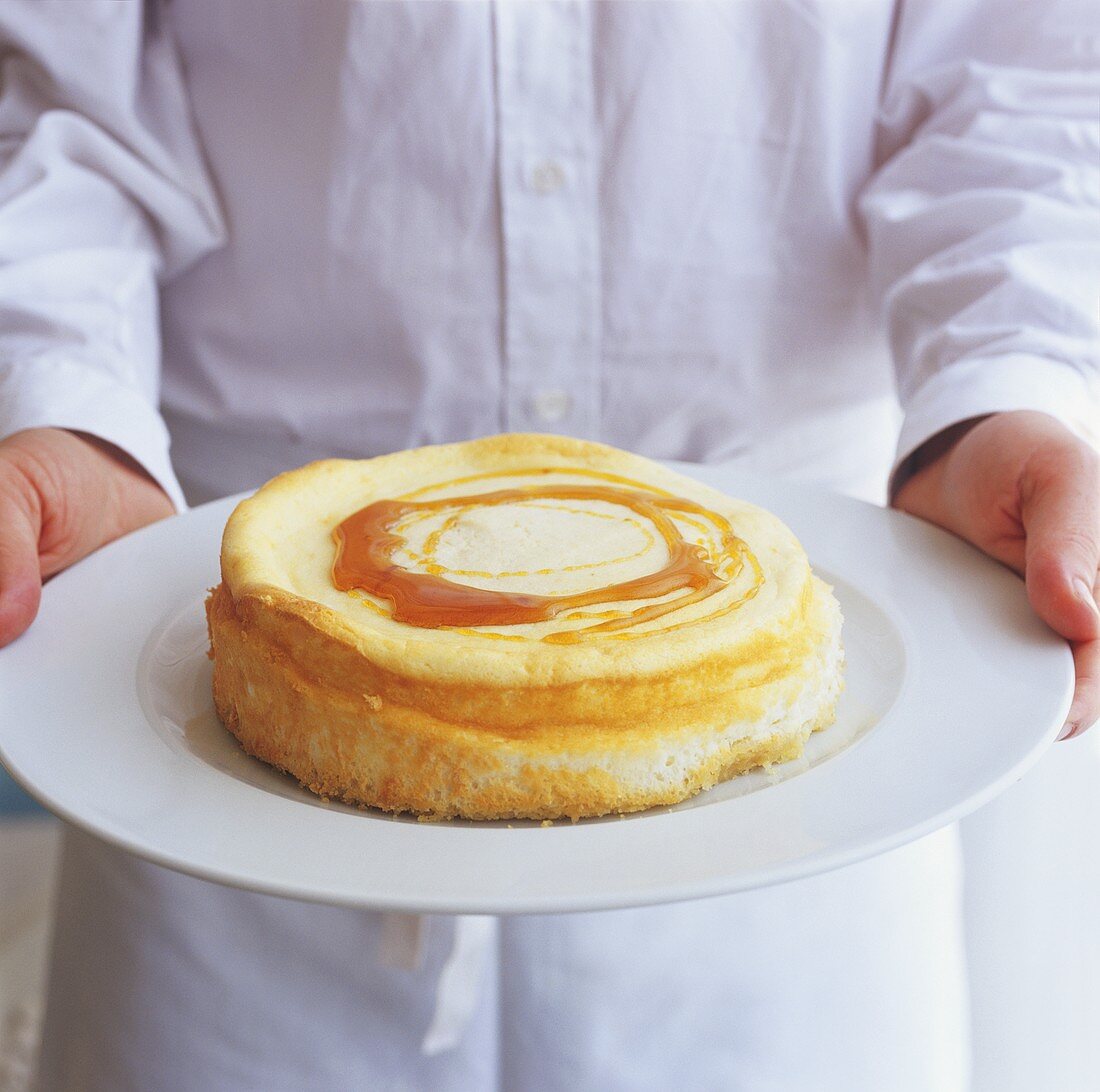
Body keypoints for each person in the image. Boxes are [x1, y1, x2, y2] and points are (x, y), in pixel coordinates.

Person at [0, 2, 1097, 1089]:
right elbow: (52, 99)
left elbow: (1011, 84)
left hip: (798, 826)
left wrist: (995, 397)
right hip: (215, 768)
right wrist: (68, 409)